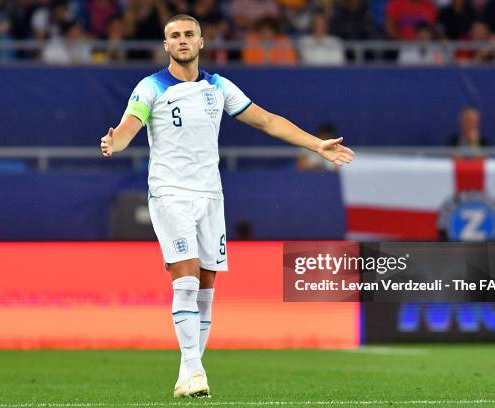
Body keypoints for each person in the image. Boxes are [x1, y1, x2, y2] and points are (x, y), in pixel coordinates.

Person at [99, 14, 354, 398]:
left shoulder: (218, 87)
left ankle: (189, 375)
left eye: (189, 34)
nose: (182, 41)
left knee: (206, 287)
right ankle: (193, 369)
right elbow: (129, 127)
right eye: (174, 36)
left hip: (210, 197)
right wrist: (115, 142)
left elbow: (267, 121)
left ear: (202, 42)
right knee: (184, 279)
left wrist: (315, 145)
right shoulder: (149, 87)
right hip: (170, 194)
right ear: (166, 45)